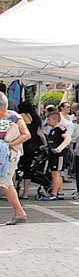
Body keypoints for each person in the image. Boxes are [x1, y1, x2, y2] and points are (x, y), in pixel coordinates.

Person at [1, 93, 31, 224]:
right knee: (7, 183)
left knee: (5, 182)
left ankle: (20, 213)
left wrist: (10, 144)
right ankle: (20, 213)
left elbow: (26, 134)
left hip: (9, 155)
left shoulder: (13, 116)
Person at [16, 102, 45, 200]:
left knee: (16, 168)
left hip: (22, 144)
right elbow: (39, 133)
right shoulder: (36, 118)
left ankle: (14, 190)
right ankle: (26, 193)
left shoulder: (20, 117)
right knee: (28, 169)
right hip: (32, 146)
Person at [44, 111, 72, 200]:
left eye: (49, 119)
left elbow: (68, 138)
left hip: (59, 154)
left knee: (56, 173)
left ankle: (54, 193)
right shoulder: (53, 129)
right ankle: (60, 192)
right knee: (55, 172)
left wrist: (59, 149)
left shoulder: (60, 128)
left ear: (55, 119)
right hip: (53, 154)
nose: (47, 121)